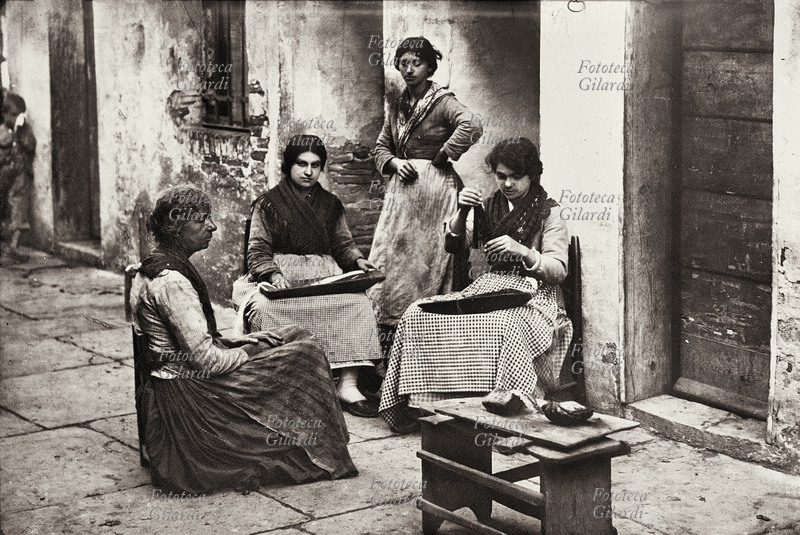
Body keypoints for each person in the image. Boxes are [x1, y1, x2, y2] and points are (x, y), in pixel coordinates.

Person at [131, 186, 358, 494]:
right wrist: (251, 350)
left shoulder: (158, 265)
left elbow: (192, 341)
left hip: (187, 376)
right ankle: (316, 450)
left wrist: (246, 341)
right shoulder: (170, 281)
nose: (212, 226)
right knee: (304, 352)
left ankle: (315, 440)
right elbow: (206, 361)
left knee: (294, 334)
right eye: (202, 221)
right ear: (176, 226)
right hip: (190, 394)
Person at [378, 138, 572, 433]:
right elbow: (453, 243)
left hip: (535, 295)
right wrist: (461, 210)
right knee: (419, 312)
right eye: (501, 176)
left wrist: (523, 251)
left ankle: (507, 409)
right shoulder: (490, 206)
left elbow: (558, 270)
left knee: (505, 323)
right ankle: (429, 404)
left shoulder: (549, 212)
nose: (507, 183)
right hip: (492, 287)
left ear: (532, 175)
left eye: (516, 177)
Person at [233, 135, 382, 418]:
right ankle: (279, 382)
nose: (308, 171)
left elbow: (343, 244)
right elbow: (258, 249)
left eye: (315, 165)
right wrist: (273, 273)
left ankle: (347, 384)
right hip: (281, 277)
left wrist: (359, 261)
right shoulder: (268, 204)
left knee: (358, 305)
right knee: (267, 308)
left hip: (322, 276)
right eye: (301, 164)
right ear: (289, 165)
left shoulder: (331, 204)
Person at [367, 36, 483, 334]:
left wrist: (444, 154)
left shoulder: (443, 101)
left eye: (416, 63)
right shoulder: (398, 105)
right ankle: (390, 329)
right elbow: (381, 146)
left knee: (430, 258)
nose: (409, 69)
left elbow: (472, 124)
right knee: (395, 257)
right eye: (403, 63)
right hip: (403, 194)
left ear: (430, 67)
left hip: (436, 193)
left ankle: (428, 326)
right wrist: (394, 163)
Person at [0, 93, 36, 263]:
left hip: (21, 177)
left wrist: (20, 132)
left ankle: (13, 247)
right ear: (4, 115)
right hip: (5, 176)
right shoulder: (2, 131)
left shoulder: (24, 130)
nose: (15, 118)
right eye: (12, 115)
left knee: (19, 208)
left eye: (19, 115)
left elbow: (30, 145)